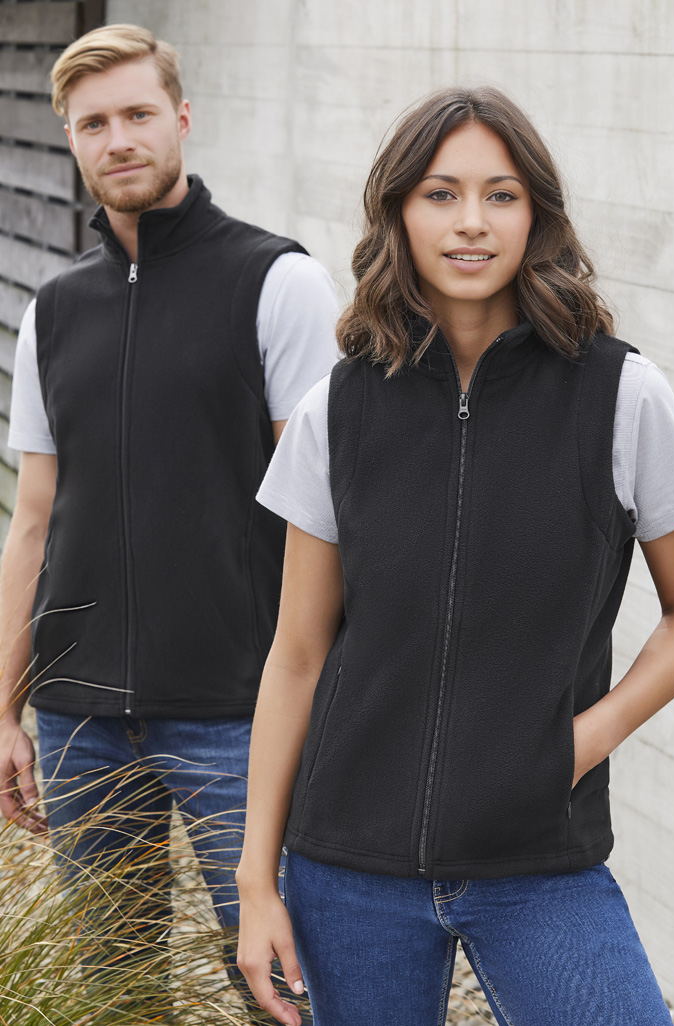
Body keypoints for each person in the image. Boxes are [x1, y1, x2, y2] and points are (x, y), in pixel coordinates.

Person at [235, 86, 674, 1026]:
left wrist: (582, 741)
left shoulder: (620, 395)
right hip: (349, 861)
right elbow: (296, 654)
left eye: (500, 195)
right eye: (440, 194)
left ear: (536, 215)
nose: (471, 222)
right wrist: (258, 882)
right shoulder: (338, 408)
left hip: (537, 854)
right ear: (398, 214)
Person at [0, 21, 337, 1009]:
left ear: (181, 118)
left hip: (240, 711)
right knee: (118, 994)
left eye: (138, 114)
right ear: (70, 138)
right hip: (80, 721)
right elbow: (33, 520)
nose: (119, 140)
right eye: (93, 123)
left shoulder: (278, 282)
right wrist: (5, 706)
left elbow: (330, 513)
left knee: (288, 988)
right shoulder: (52, 312)